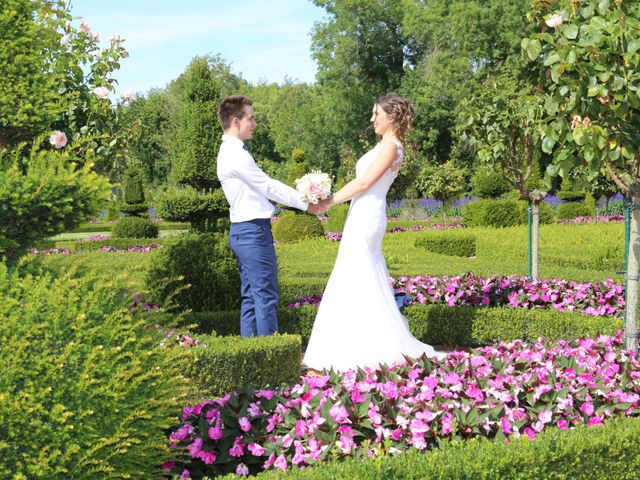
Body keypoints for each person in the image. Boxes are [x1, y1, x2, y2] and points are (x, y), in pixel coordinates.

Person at [303, 93, 445, 372]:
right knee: (354, 273)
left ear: (391, 116)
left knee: (358, 273)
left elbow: (364, 182)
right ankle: (348, 343)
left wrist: (327, 202)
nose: (372, 119)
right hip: (360, 213)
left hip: (368, 215)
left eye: (376, 114)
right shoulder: (383, 146)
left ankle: (367, 347)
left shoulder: (392, 147)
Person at [217, 95, 321, 337]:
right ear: (236, 121)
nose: (254, 123)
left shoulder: (231, 152)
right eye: (250, 118)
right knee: (265, 298)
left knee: (252, 298)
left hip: (246, 232)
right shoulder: (236, 155)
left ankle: (252, 355)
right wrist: (307, 204)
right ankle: (271, 357)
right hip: (252, 232)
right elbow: (269, 186)